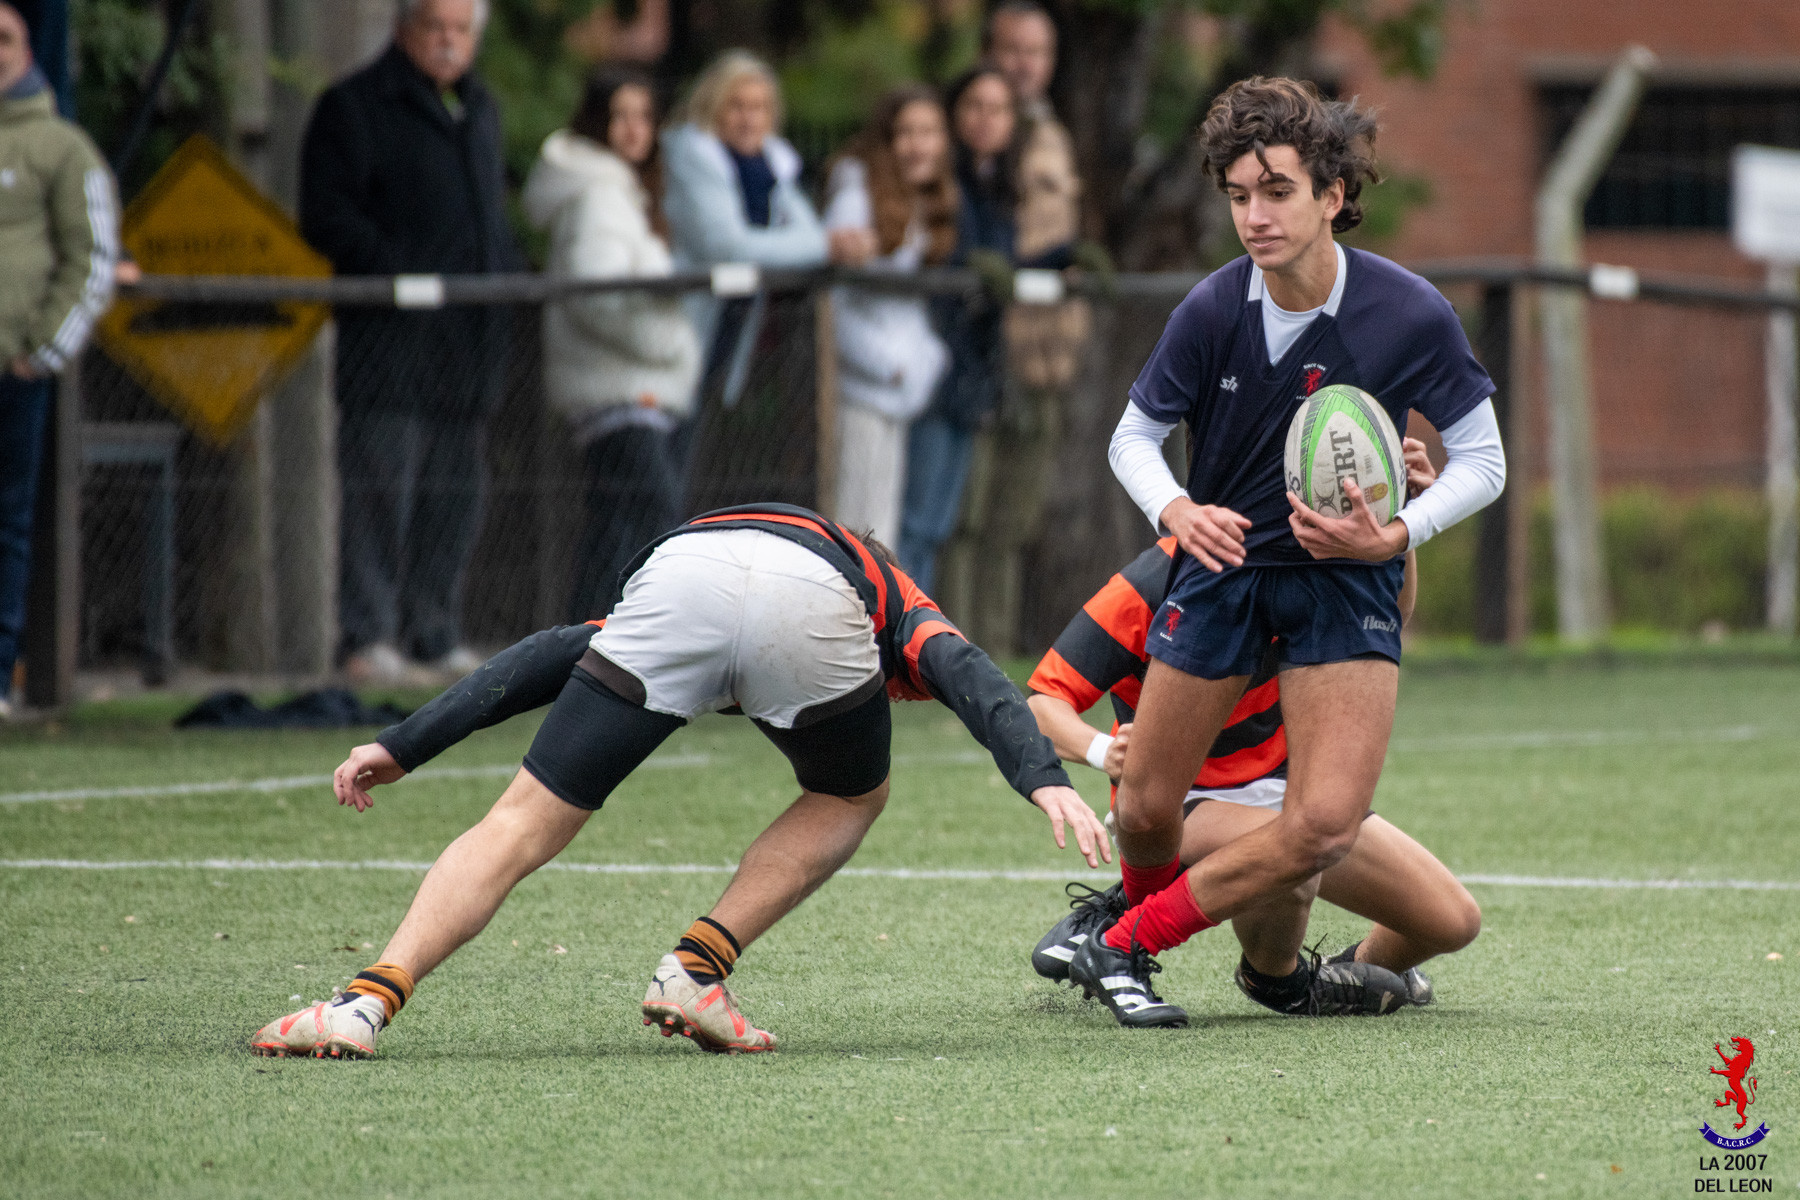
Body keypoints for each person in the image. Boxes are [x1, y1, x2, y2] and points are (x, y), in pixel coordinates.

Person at [248, 503, 1109, 1059]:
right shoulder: (887, 589)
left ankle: (363, 1004)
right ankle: (695, 970)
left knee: (520, 822)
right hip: (812, 603)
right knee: (853, 792)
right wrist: (1044, 780)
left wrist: (402, 745)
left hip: (680, 578)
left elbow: (545, 653)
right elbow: (971, 676)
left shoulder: (730, 540)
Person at [1079, 77, 1506, 1027]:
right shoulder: (1211, 309)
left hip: (1342, 584)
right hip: (1223, 574)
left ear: (1332, 194)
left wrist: (1395, 533)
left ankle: (1124, 947)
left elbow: (1485, 462)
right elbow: (1131, 439)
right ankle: (1137, 924)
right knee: (1145, 808)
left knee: (1320, 824)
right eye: (1237, 196)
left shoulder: (1407, 311)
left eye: (1276, 190)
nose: (1254, 215)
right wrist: (1179, 511)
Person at [1027, 440, 1481, 1025]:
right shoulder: (1162, 573)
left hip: (1290, 795)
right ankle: (1191, 944)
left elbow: (1391, 618)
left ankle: (1347, 972)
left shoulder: (1326, 562)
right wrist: (1100, 749)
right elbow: (1043, 700)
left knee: (1452, 920)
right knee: (1300, 850)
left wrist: (1404, 518)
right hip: (1185, 803)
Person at [300, 0, 523, 685]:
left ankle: (434, 632)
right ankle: (368, 638)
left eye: (462, 31)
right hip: (389, 347)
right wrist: (398, 273)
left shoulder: (480, 110)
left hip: (467, 348)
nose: (450, 43)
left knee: (453, 497)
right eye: (437, 29)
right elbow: (327, 216)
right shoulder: (355, 107)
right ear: (405, 32)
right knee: (379, 495)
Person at [524, 67, 702, 622]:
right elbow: (595, 296)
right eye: (620, 115)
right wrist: (666, 344)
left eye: (643, 116)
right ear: (597, 120)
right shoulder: (600, 194)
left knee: (614, 522)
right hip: (617, 391)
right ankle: (640, 636)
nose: (633, 128)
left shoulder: (624, 192)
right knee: (654, 515)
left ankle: (588, 638)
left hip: (633, 389)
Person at [953, 0, 1091, 651]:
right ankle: (950, 651)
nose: (1024, 65)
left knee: (1014, 518)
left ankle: (997, 651)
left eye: (1037, 53)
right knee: (966, 514)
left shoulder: (1052, 133)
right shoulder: (976, 133)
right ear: (987, 50)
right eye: (1012, 50)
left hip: (1046, 351)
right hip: (986, 349)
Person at [0, 0, 116, 719]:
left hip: (14, 371)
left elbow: (90, 256)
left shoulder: (60, 145)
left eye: (4, 38)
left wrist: (42, 350)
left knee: (8, 522)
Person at [897, 65, 1025, 593]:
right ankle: (894, 637)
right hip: (931, 365)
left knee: (939, 523)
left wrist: (1061, 258)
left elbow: (1005, 265)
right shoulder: (944, 185)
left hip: (974, 369)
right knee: (916, 521)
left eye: (998, 108)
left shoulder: (999, 186)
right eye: (974, 105)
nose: (985, 119)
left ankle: (914, 645)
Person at [820, 85, 957, 547]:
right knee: (853, 527)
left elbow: (907, 308)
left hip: (897, 391)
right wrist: (889, 366)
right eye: (906, 133)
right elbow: (831, 307)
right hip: (860, 389)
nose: (918, 145)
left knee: (884, 531)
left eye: (929, 132)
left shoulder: (920, 202)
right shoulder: (855, 198)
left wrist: (926, 361)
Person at [661, 51, 826, 411]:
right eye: (736, 106)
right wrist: (813, 245)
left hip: (732, 323)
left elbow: (814, 237)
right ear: (712, 106)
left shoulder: (774, 167)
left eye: (759, 107)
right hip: (679, 326)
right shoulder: (694, 157)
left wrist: (818, 244)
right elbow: (729, 244)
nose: (748, 119)